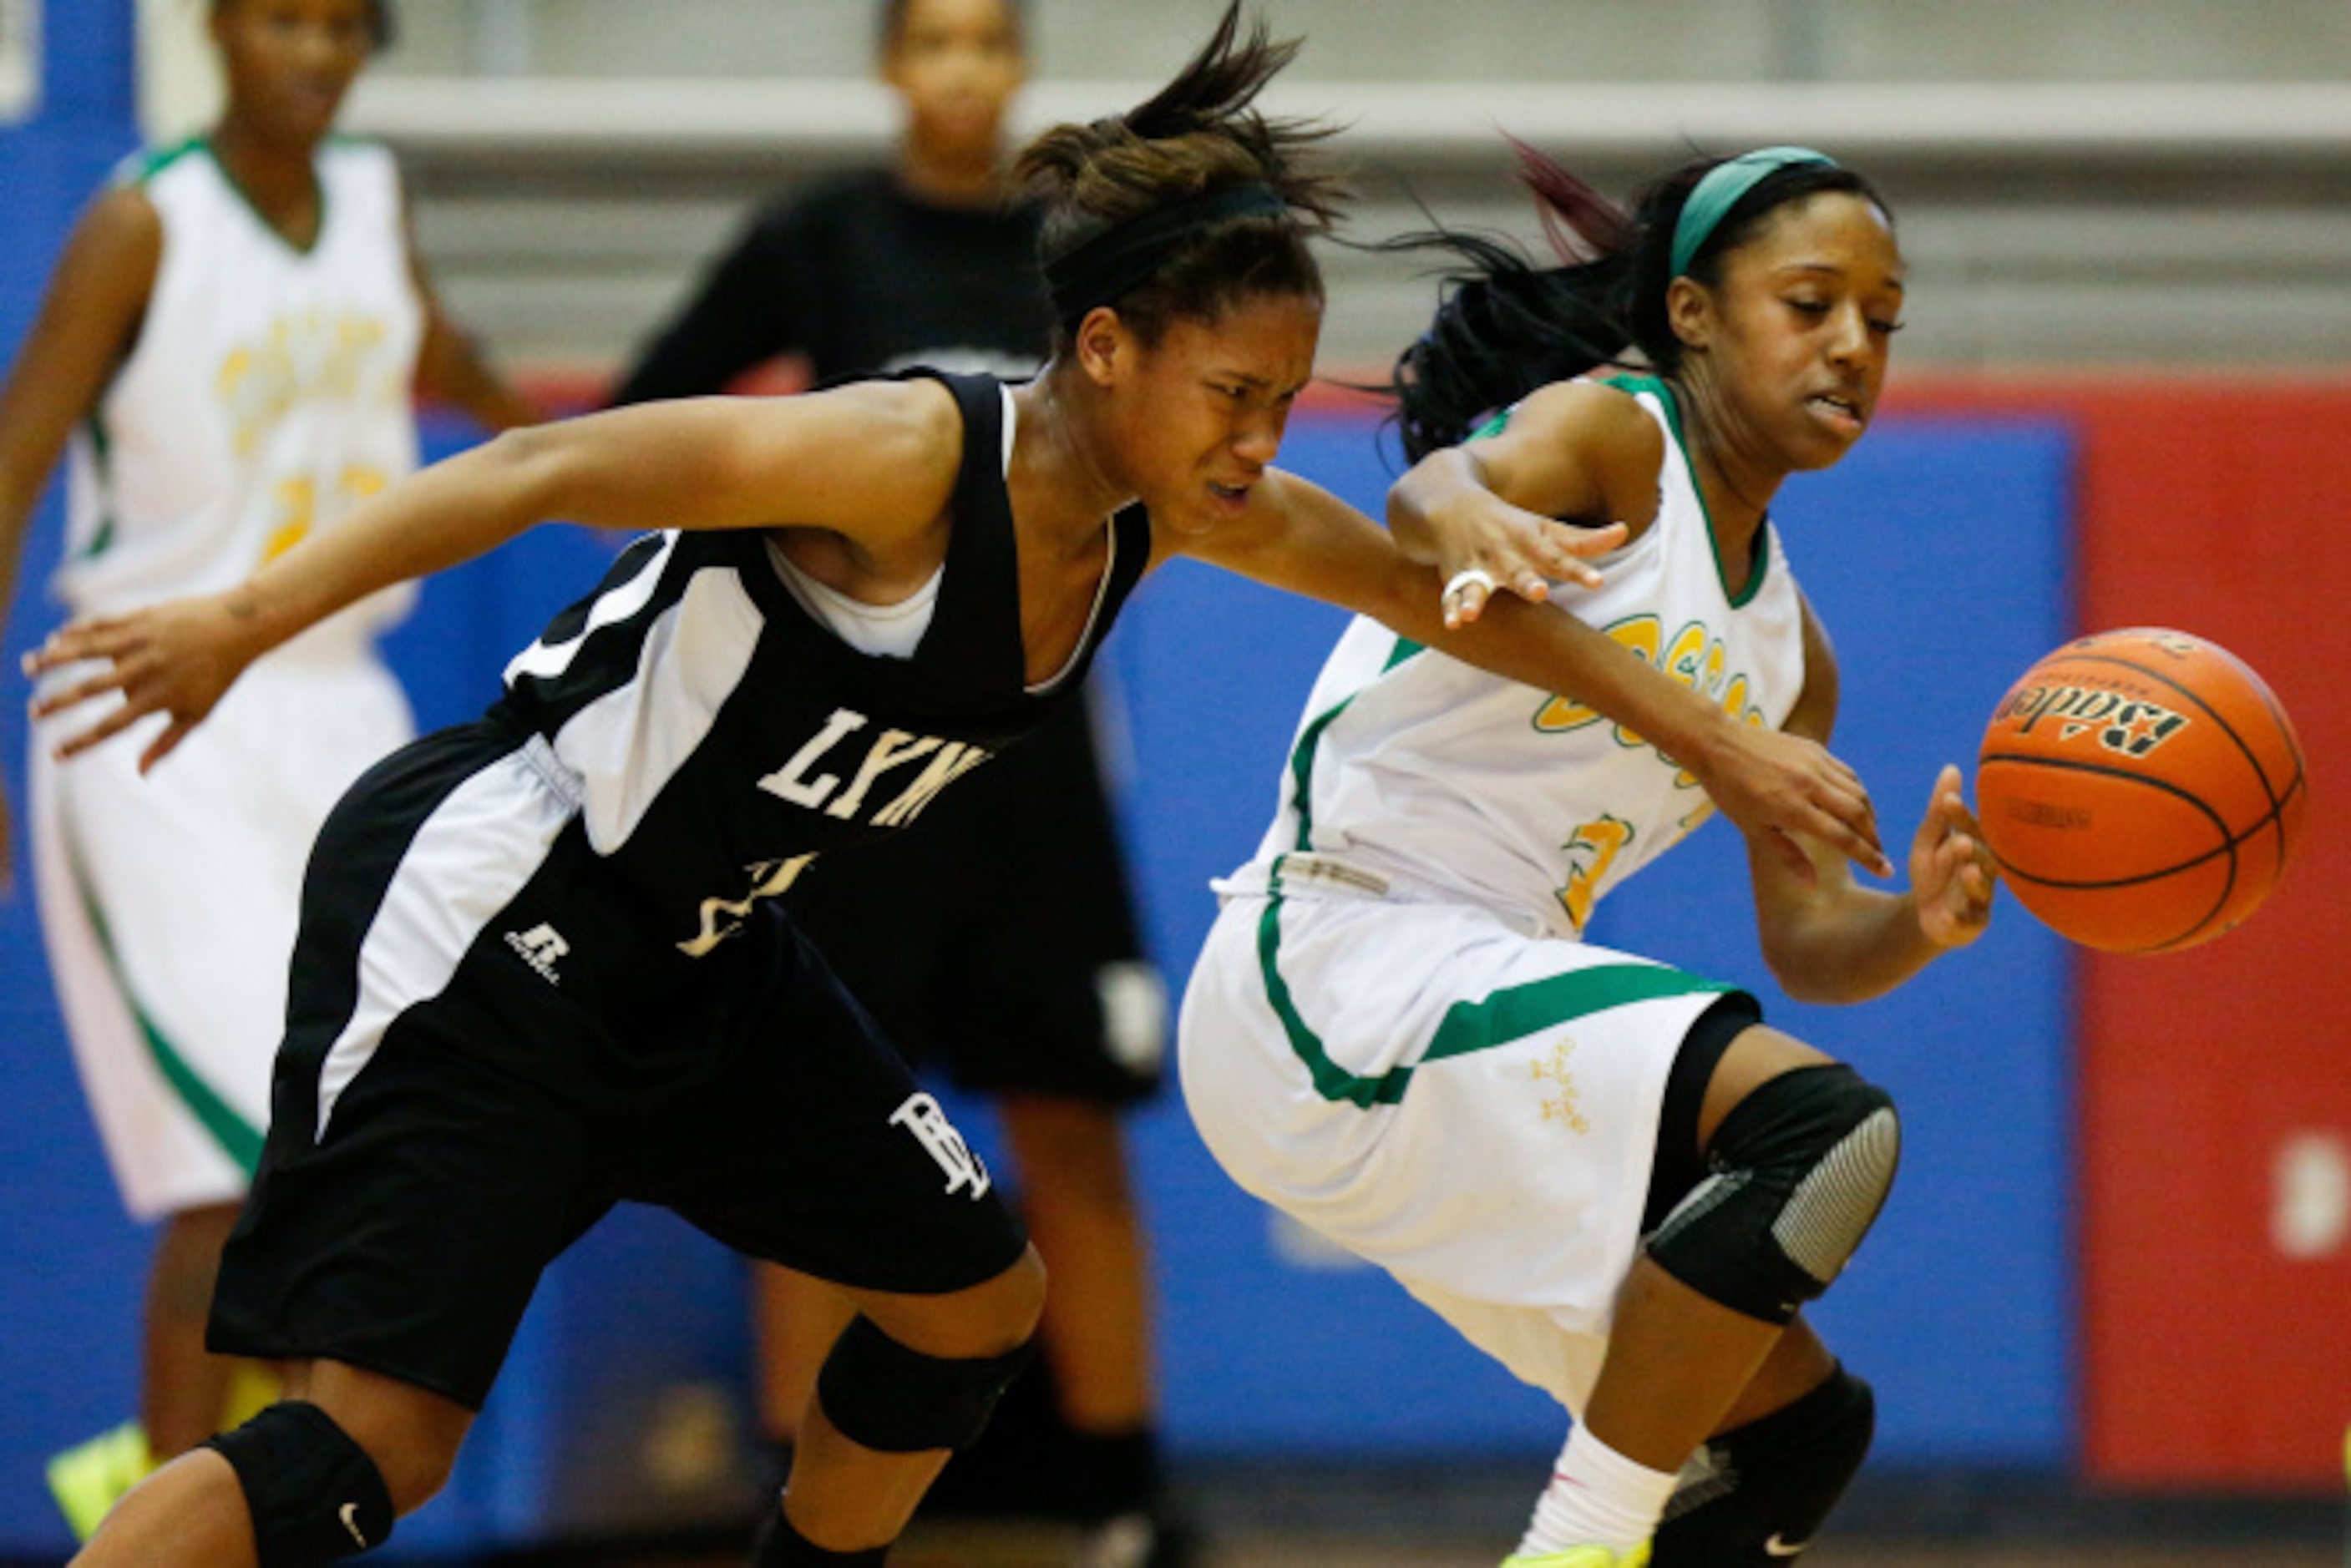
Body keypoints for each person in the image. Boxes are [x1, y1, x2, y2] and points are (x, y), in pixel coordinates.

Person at [25, 8, 1887, 1563]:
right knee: (375, 1456)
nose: (1261, 439)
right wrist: (239, 619)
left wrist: (1726, 745)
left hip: (708, 955)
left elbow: (1438, 594)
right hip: (509, 907)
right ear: (1104, 351)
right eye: (1235, 394)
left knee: (969, 1297)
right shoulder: (905, 453)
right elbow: (542, 469)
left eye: (1285, 397)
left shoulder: (1174, 511)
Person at [1177, 143, 1997, 1568]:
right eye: (1811, 303)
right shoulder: (1620, 433)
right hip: (1334, 954)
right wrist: (1477, 511)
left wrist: (1916, 922)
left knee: (1792, 1438)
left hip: (1466, 996)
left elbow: (1810, 943)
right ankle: (1576, 1546)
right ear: (1691, 312)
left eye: (1884, 316)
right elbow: (1434, 504)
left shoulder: (1792, 659)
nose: (1854, 345)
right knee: (1820, 1131)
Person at [609, 5, 1185, 1560]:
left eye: (990, 40)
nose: (962, 69)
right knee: (819, 1123)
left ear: (1020, 67)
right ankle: (796, 1492)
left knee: (1071, 1121)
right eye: (933, 38)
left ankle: (1123, 1494)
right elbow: (653, 415)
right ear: (890, 66)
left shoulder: (1084, 258)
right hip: (850, 772)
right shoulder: (815, 241)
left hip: (1038, 764)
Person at [0, 0, 536, 1540]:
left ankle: (236, 1503)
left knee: (355, 1156)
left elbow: (450, 364)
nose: (313, 53)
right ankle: (175, 1519)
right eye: (282, 20)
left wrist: (629, 467)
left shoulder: (370, 198)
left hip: (330, 696)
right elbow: (18, 458)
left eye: (340, 28)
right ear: (221, 30)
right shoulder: (141, 223)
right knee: (238, 1155)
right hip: (151, 700)